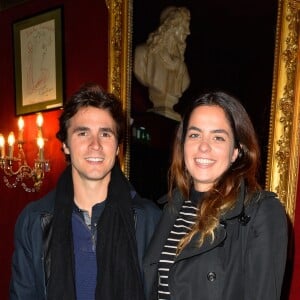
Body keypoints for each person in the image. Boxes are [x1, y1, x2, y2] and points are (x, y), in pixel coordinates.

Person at [10, 83, 161, 300]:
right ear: (65, 145)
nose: (95, 145)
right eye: (83, 133)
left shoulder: (150, 219)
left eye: (105, 134)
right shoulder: (33, 220)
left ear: (118, 146)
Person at [143, 91, 288, 300]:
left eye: (218, 137)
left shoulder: (261, 212)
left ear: (236, 152)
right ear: (183, 144)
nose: (204, 146)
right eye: (195, 134)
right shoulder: (170, 208)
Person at [134, 6, 191, 121]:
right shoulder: (143, 54)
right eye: (183, 27)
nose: (188, 32)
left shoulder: (183, 70)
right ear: (170, 27)